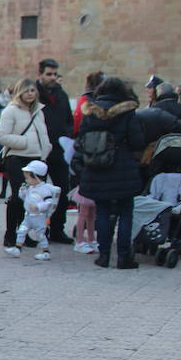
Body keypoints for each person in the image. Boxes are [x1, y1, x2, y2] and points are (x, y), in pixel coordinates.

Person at [72, 76, 146, 269]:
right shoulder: (128, 111)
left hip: (97, 167)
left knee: (102, 211)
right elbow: (137, 141)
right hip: (123, 167)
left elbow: (81, 139)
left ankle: (103, 255)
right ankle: (123, 257)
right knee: (126, 212)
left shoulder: (90, 111)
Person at [0, 78, 52, 255]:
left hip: (35, 158)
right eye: (27, 91)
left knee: (33, 197)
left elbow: (42, 133)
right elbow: (2, 136)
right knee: (17, 196)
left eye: (33, 91)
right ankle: (10, 232)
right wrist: (25, 142)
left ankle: (25, 233)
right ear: (20, 92)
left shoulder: (38, 111)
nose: (31, 94)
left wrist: (45, 150)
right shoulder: (11, 111)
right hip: (17, 158)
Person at [36, 59, 74, 243]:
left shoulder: (61, 95)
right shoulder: (33, 94)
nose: (52, 78)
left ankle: (58, 229)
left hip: (58, 151)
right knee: (36, 193)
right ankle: (34, 230)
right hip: (38, 152)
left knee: (62, 190)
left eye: (54, 74)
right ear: (40, 74)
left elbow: (68, 120)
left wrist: (65, 137)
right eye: (49, 74)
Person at [14, 160, 58, 261]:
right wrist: (22, 190)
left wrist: (38, 206)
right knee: (21, 231)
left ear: (36, 177)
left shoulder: (44, 189)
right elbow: (23, 197)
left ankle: (45, 251)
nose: (26, 180)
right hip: (28, 216)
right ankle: (18, 248)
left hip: (39, 217)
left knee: (40, 235)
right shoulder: (30, 188)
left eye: (28, 178)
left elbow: (49, 202)